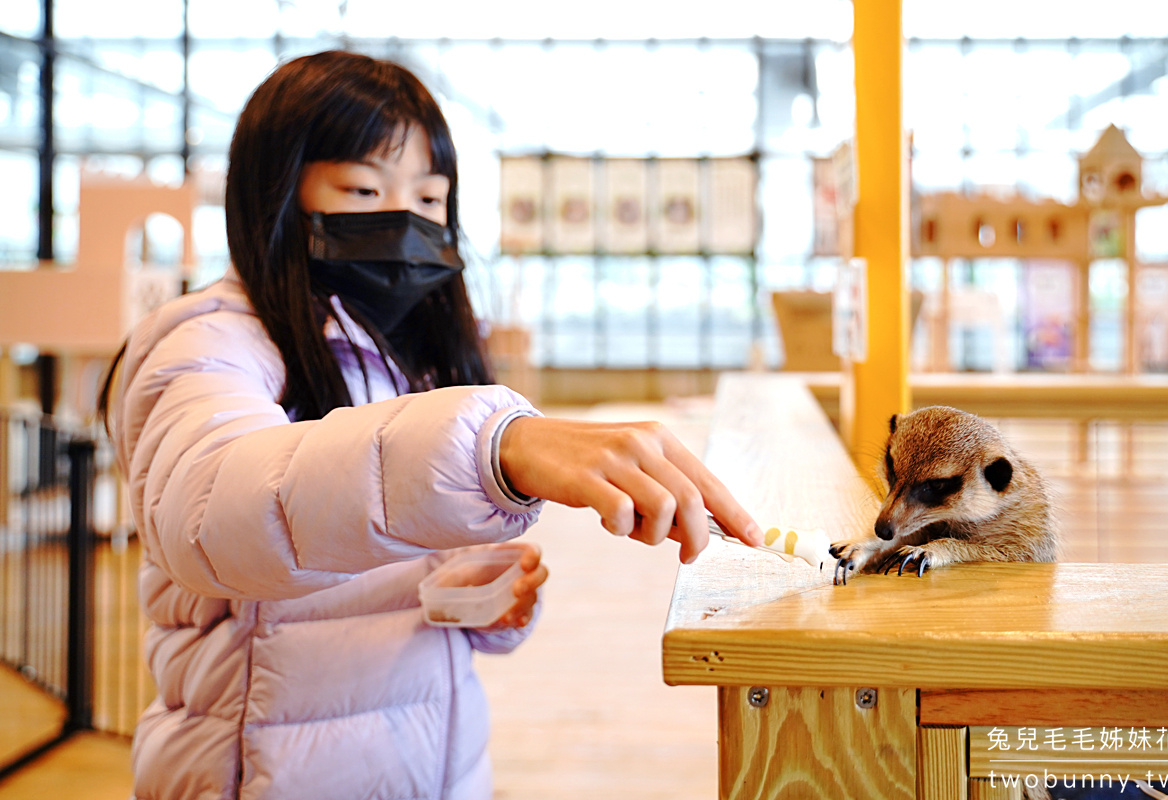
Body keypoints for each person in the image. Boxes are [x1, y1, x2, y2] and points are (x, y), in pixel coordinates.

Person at [101, 50, 761, 800]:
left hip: (433, 766)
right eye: (363, 187)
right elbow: (208, 508)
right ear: (277, 193)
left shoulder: (405, 350)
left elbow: (377, 554)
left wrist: (469, 592)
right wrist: (490, 445)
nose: (407, 219)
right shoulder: (203, 341)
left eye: (430, 196)